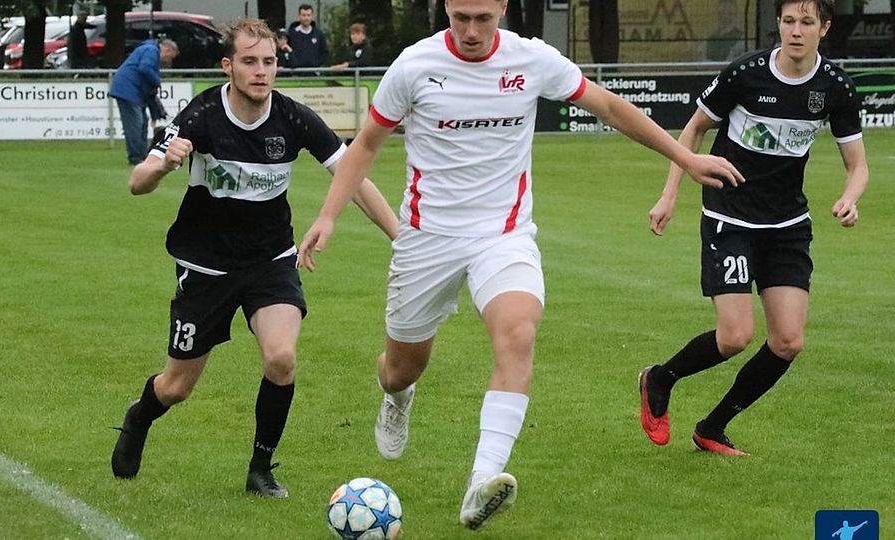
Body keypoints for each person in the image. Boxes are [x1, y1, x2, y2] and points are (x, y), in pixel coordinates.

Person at [298, 0, 742, 530]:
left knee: (518, 334)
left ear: (503, 9)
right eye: (460, 17)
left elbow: (609, 106)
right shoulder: (414, 66)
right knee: (402, 368)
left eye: (483, 18)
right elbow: (366, 145)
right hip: (427, 238)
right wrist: (328, 216)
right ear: (447, 8)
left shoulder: (530, 59)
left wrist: (684, 156)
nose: (470, 30)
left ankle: (481, 481)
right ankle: (397, 396)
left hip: (503, 236)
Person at [110, 19, 398, 498]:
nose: (261, 71)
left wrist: (401, 239)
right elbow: (137, 182)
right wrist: (162, 164)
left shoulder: (293, 118)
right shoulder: (201, 115)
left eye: (269, 61)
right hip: (206, 266)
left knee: (281, 359)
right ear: (228, 66)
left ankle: (260, 469)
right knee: (176, 387)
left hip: (270, 260)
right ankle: (139, 417)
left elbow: (354, 177)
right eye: (249, 61)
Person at [640, 0, 868, 456]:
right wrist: (669, 194)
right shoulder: (746, 73)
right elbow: (693, 131)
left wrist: (850, 197)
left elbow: (857, 165)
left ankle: (712, 427)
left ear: (824, 28)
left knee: (787, 341)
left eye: (807, 22)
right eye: (789, 21)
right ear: (778, 24)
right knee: (735, 337)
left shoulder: (835, 86)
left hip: (787, 224)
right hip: (730, 216)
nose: (796, 31)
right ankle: (660, 378)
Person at [109, 39, 179, 165]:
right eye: (170, 57)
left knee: (142, 123)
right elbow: (145, 68)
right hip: (127, 90)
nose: (167, 61)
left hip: (132, 90)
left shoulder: (148, 49)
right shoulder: (151, 50)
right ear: (168, 50)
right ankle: (136, 158)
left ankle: (143, 157)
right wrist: (157, 81)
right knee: (135, 125)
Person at [287, 4, 328, 68]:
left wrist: (316, 64)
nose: (306, 18)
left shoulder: (318, 34)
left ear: (312, 16)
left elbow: (324, 52)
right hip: (296, 71)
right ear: (299, 16)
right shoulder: (292, 34)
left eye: (308, 15)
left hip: (313, 71)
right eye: (303, 15)